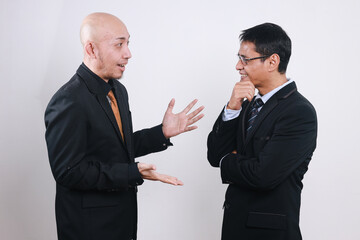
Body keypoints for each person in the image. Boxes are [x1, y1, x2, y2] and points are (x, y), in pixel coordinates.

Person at [45, 12, 204, 240]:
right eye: (119, 44)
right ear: (91, 49)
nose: (128, 54)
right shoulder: (68, 100)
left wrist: (161, 133)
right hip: (89, 229)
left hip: (121, 222)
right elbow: (69, 172)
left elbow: (114, 147)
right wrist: (132, 172)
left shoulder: (118, 90)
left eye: (128, 43)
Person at [207, 23, 317, 240]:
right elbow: (213, 155)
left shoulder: (299, 112)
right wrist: (232, 107)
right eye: (239, 58)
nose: (238, 66)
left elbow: (263, 175)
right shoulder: (246, 103)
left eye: (246, 59)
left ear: (272, 61)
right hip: (233, 228)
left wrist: (227, 161)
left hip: (269, 233)